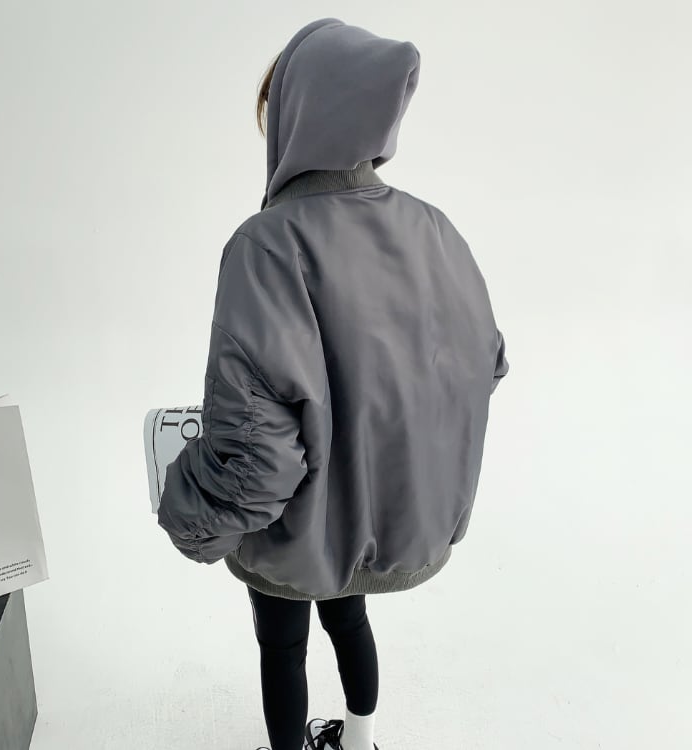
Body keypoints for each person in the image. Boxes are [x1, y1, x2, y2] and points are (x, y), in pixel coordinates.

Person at [156, 17, 509, 750]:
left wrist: (189, 512)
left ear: (299, 114)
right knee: (351, 616)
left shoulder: (265, 245)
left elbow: (257, 453)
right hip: (381, 517)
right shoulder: (435, 229)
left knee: (282, 644)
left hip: (292, 530)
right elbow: (482, 366)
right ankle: (359, 741)